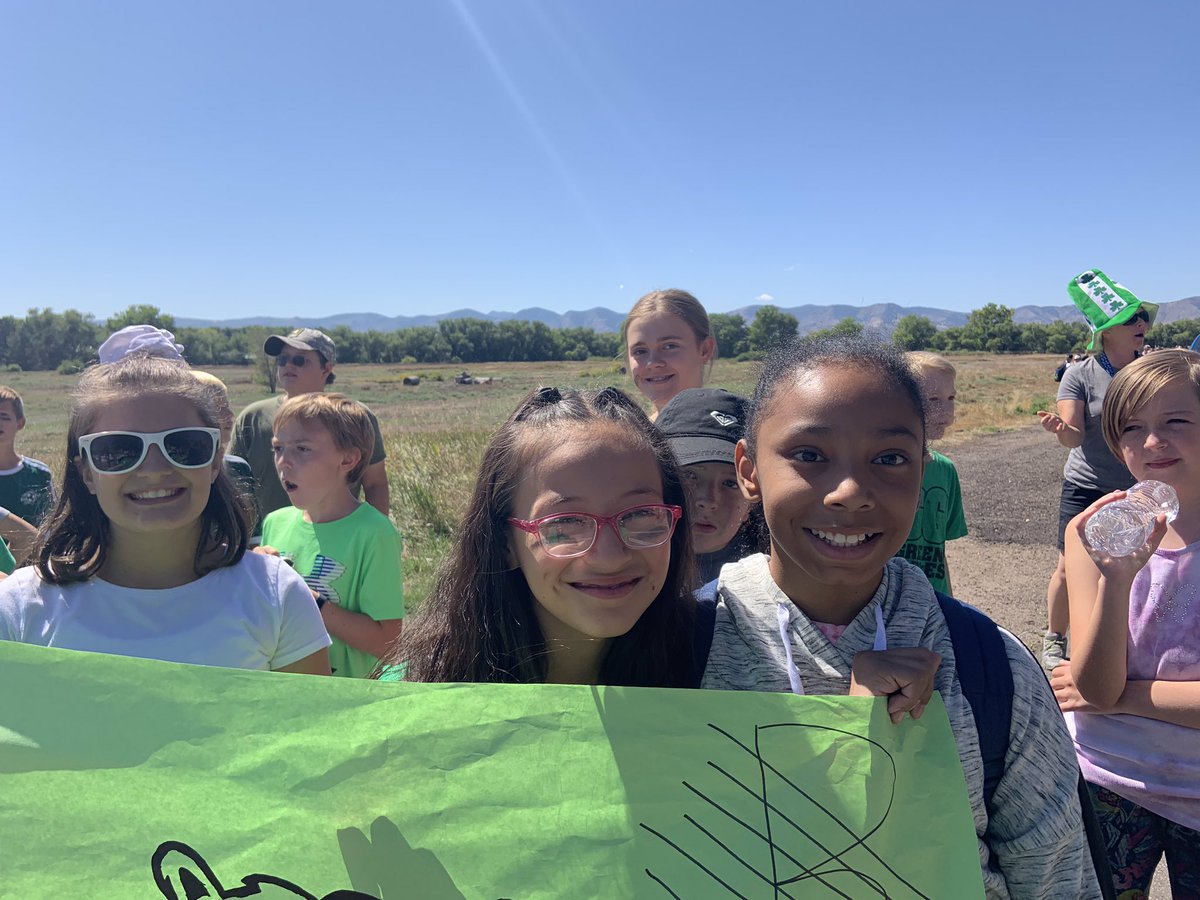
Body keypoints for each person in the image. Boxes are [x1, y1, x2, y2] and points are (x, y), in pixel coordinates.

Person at [702, 334, 1101, 898]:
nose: (849, 492)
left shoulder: (992, 667)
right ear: (748, 468)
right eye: (809, 455)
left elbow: (1057, 877)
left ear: (923, 470)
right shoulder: (676, 648)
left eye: (889, 459)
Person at [0, 354, 331, 674]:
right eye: (118, 450)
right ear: (86, 472)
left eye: (185, 446)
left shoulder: (277, 595)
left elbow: (315, 729)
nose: (155, 469)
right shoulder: (20, 607)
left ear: (216, 461)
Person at [380, 386, 696, 686]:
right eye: (566, 522)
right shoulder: (411, 693)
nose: (610, 557)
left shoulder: (720, 668)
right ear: (505, 543)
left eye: (640, 514)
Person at [1052, 350, 1200, 898]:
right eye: (1131, 428)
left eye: (1175, 423)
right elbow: (1093, 686)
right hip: (1106, 777)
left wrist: (1122, 698)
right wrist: (1116, 579)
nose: (1151, 443)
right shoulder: (1091, 534)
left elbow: (1102, 693)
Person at [1037, 295, 1154, 670]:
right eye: (1132, 319)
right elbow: (1073, 436)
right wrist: (1061, 429)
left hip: (1138, 486)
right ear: (1105, 331)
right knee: (1069, 567)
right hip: (1087, 485)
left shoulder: (1147, 371)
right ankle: (1055, 637)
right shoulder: (1080, 374)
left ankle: (1125, 637)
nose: (1142, 324)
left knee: (1137, 565)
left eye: (1144, 317)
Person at [258, 393, 404, 679]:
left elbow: (390, 645)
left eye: (301, 448)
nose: (283, 462)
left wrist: (307, 600)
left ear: (348, 459)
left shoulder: (374, 533)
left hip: (348, 702)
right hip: (287, 693)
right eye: (278, 448)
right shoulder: (275, 523)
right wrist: (253, 574)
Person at [231, 329, 390, 526]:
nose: (288, 365)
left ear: (326, 368)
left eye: (300, 360)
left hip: (339, 537)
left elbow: (375, 483)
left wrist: (377, 530)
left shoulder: (352, 416)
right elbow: (234, 485)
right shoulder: (253, 417)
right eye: (282, 359)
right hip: (266, 542)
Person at [655, 387, 766, 586]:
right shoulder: (623, 565)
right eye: (689, 476)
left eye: (731, 483)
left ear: (752, 504)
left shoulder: (772, 577)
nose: (708, 500)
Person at [897, 352, 968, 593]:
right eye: (934, 399)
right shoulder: (873, 471)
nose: (947, 413)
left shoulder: (944, 470)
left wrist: (949, 605)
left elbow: (939, 553)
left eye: (951, 398)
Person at [621, 289, 716, 420]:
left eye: (669, 346)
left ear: (705, 350)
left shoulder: (743, 435)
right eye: (640, 351)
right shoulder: (627, 438)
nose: (652, 363)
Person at [0, 386, 55, 529]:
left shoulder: (39, 474)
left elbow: (51, 524)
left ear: (20, 423)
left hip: (32, 551)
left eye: (4, 417)